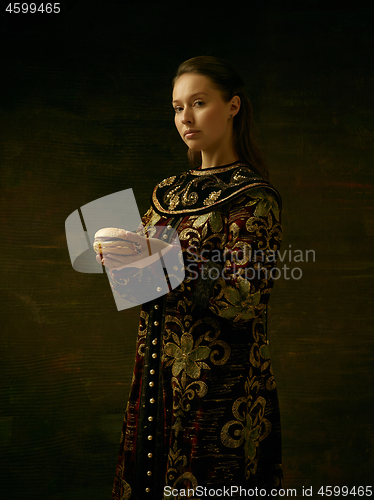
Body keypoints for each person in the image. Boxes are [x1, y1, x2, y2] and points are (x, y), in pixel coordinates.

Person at [97, 56, 283, 500]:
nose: (185, 117)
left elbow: (245, 298)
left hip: (221, 385)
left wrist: (159, 260)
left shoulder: (254, 197)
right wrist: (117, 257)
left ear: (233, 106)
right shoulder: (168, 191)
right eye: (178, 107)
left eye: (198, 103)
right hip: (155, 375)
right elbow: (145, 288)